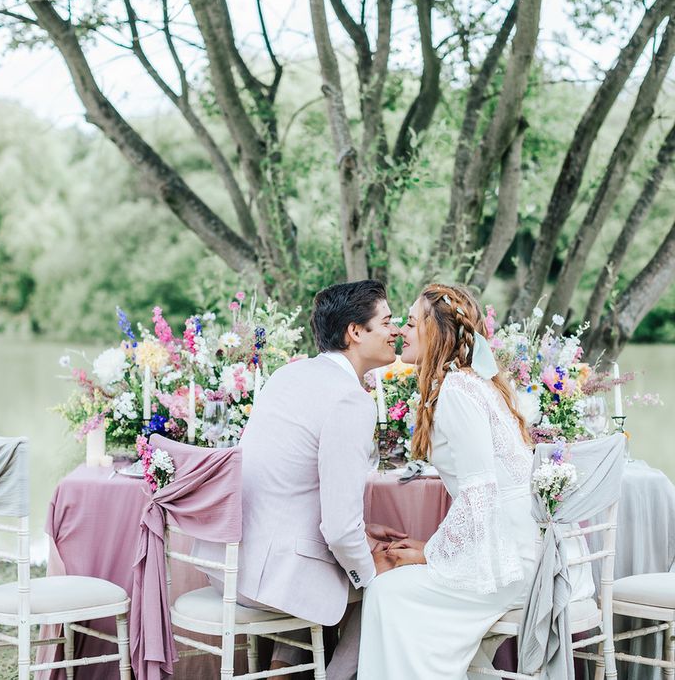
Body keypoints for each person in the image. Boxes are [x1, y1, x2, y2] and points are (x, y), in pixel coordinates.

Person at [195, 279, 405, 671]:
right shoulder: (349, 399)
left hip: (232, 567)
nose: (397, 331)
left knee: (345, 561)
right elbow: (340, 530)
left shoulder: (288, 376)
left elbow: (290, 490)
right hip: (272, 578)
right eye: (388, 321)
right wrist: (368, 570)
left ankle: (282, 674)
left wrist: (361, 537)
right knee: (388, 584)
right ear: (355, 332)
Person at [358, 283, 539, 679]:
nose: (399, 332)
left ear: (436, 332)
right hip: (515, 550)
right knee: (398, 589)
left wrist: (431, 554)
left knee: (387, 593)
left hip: (510, 564)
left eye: (408, 323)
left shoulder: (456, 390)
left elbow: (480, 493)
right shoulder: (471, 382)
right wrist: (431, 548)